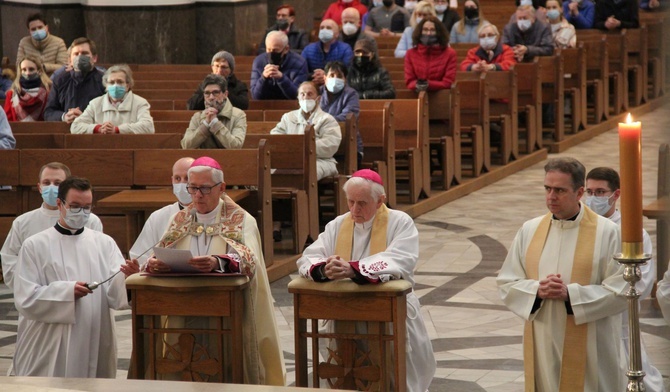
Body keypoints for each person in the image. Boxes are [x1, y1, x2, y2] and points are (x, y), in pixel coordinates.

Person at [144, 157, 285, 385]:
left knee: (221, 364)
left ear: (221, 188)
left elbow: (250, 260)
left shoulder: (240, 220)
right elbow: (159, 251)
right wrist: (155, 264)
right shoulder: (179, 219)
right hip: (183, 306)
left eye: (205, 189)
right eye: (193, 188)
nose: (198, 195)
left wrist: (216, 262)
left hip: (225, 309)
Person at [297, 169, 436, 392]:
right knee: (348, 374)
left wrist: (353, 269)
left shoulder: (400, 222)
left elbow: (400, 259)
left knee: (395, 376)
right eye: (350, 202)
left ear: (381, 200)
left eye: (362, 203)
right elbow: (308, 257)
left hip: (390, 315)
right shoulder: (338, 224)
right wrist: (325, 269)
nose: (354, 209)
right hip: (344, 313)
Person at [497, 157, 627, 392]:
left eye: (559, 190)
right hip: (543, 339)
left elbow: (622, 290)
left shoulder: (608, 232)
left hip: (592, 344)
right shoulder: (530, 229)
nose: (551, 196)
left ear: (579, 193)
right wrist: (537, 290)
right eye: (547, 188)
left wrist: (572, 294)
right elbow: (507, 282)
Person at [13, 176, 139, 378]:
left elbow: (114, 292)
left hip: (95, 331)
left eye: (87, 207)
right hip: (52, 338)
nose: (81, 212)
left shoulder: (104, 243)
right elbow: (25, 297)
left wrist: (128, 279)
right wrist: (66, 291)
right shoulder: (35, 245)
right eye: (75, 206)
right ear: (59, 204)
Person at [584, 167, 665, 392]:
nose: (593, 198)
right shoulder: (581, 228)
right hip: (583, 319)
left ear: (616, 195)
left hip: (619, 323)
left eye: (600, 192)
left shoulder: (632, 233)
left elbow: (639, 283)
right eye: (589, 192)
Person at [1, 162, 103, 290]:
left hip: (81, 288)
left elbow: (96, 260)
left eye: (57, 183)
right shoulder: (22, 223)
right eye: (46, 182)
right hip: (37, 294)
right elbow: (10, 260)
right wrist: (33, 287)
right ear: (39, 187)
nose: (51, 187)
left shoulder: (90, 221)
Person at [129, 157, 194, 266]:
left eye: (187, 178)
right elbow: (139, 257)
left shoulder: (208, 214)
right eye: (177, 179)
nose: (182, 183)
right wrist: (142, 267)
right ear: (172, 180)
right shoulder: (157, 217)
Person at [270, 81, 341, 180]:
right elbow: (275, 136)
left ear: (318, 98)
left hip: (321, 160)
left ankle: (305, 195)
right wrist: (289, 147)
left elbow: (330, 144)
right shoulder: (288, 117)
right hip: (292, 160)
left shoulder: (327, 119)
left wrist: (303, 147)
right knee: (269, 170)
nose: (306, 97)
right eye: (302, 94)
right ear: (298, 98)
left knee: (308, 171)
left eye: (310, 94)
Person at [70, 64, 154, 134]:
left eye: (120, 82)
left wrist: (117, 130)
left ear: (127, 85)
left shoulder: (140, 103)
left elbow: (148, 127)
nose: (115, 85)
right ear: (106, 85)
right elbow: (75, 126)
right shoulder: (95, 103)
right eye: (111, 82)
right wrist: (98, 128)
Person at [44, 37, 105, 123]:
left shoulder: (103, 80)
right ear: (70, 60)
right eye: (76, 54)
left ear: (94, 58)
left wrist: (85, 117)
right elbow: (49, 113)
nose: (80, 57)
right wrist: (65, 116)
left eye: (84, 53)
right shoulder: (60, 80)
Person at [181, 75, 246, 149]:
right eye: (207, 93)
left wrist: (215, 123)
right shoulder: (197, 117)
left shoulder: (238, 115)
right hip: (204, 159)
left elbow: (236, 146)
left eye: (215, 92)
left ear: (225, 94)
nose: (211, 97)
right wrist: (205, 125)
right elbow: (186, 146)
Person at [320, 61, 363, 165]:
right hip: (322, 145)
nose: (335, 79)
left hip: (348, 145)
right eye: (332, 75)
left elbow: (347, 117)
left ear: (345, 79)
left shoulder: (351, 94)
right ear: (325, 78)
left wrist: (321, 121)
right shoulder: (317, 92)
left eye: (339, 76)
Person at [404, 15, 457, 92]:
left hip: (442, 97)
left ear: (439, 32)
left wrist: (428, 84)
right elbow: (409, 81)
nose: (428, 33)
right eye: (425, 30)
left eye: (432, 30)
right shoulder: (410, 54)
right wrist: (418, 85)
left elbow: (448, 82)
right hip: (417, 95)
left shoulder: (450, 54)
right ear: (420, 32)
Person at [250, 31, 308, 100]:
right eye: (268, 49)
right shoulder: (259, 62)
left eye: (275, 50)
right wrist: (263, 78)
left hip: (290, 107)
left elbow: (297, 95)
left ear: (286, 49)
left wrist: (281, 78)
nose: (271, 54)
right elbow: (255, 96)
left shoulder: (299, 63)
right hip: (266, 106)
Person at [301, 19, 354, 86]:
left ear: (337, 34)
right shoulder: (308, 49)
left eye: (328, 28)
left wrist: (326, 76)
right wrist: (315, 76)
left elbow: (347, 72)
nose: (324, 30)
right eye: (322, 28)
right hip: (313, 86)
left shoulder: (345, 49)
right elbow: (301, 71)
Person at [4, 56, 52, 121]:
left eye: (31, 69)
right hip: (17, 130)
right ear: (20, 72)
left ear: (39, 71)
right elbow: (8, 119)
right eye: (24, 70)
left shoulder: (48, 92)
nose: (27, 73)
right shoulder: (11, 94)